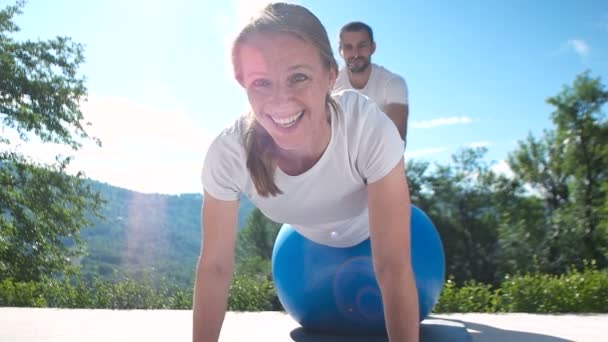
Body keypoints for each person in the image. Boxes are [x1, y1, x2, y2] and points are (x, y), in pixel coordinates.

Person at [193, 3, 419, 342]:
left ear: (331, 75)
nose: (280, 99)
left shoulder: (367, 128)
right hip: (306, 251)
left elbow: (392, 266)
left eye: (298, 76)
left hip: (379, 236)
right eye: (261, 82)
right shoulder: (228, 154)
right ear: (242, 82)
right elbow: (214, 268)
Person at [333, 21, 410, 148]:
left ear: (373, 48)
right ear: (340, 51)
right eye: (348, 47)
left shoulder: (393, 83)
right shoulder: (329, 84)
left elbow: (397, 141)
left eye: (362, 46)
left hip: (378, 163)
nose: (355, 54)